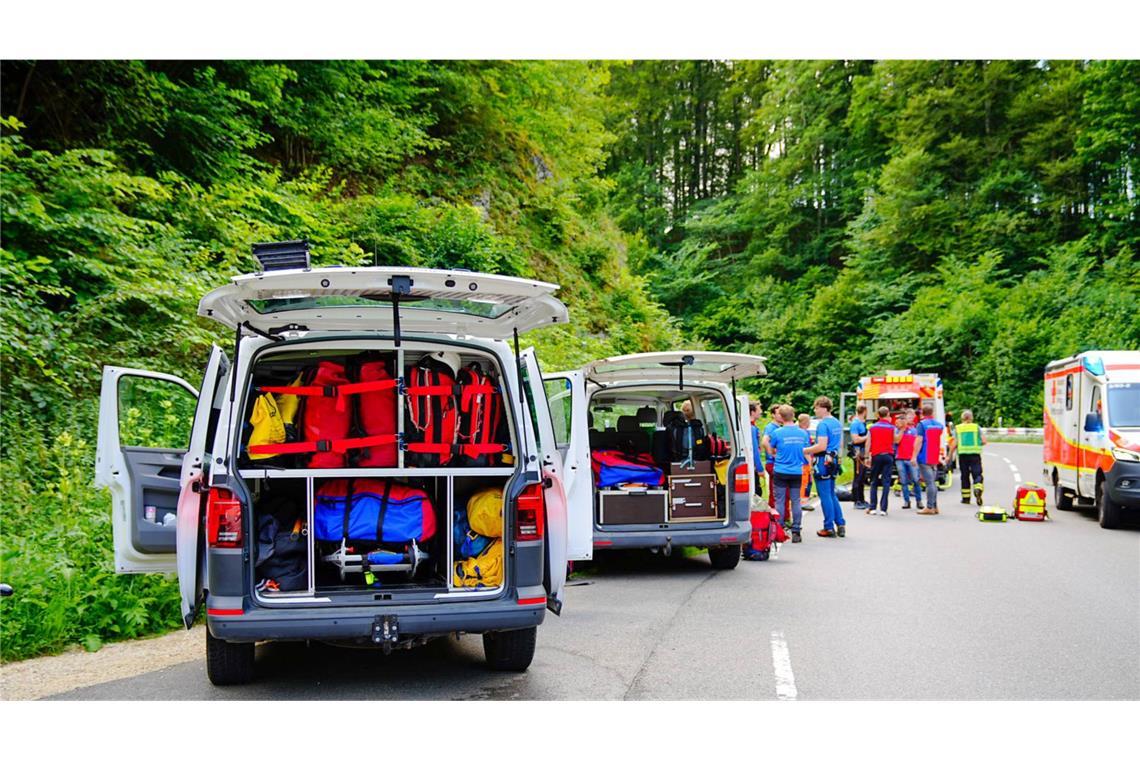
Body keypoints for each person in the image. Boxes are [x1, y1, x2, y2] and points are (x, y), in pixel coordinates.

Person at [803, 396, 846, 538]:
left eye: (816, 407)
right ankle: (840, 524)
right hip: (834, 460)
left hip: (823, 461)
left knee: (825, 494)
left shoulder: (823, 425)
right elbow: (839, 444)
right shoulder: (837, 423)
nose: (815, 410)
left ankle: (828, 527)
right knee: (832, 493)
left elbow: (821, 445)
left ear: (823, 408)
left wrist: (805, 450)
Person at [768, 405, 809, 543]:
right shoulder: (803, 433)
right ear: (793, 415)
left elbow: (771, 448)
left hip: (780, 470)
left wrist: (773, 453)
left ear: (781, 416)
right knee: (795, 500)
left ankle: (779, 529)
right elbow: (806, 449)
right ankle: (796, 531)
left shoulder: (777, 433)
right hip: (797, 471)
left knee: (779, 500)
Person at [912, 403, 946, 515]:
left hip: (924, 456)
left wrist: (913, 456)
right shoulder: (939, 425)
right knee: (933, 482)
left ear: (922, 413)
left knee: (929, 483)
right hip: (934, 456)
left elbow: (919, 441)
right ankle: (935, 506)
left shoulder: (921, 425)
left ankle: (930, 507)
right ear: (933, 413)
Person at [865, 406, 899, 515]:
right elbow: (895, 440)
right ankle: (883, 509)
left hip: (876, 456)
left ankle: (873, 507)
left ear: (878, 415)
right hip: (888, 456)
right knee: (886, 482)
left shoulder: (873, 427)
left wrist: (866, 456)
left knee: (874, 481)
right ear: (888, 414)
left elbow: (868, 443)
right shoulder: (892, 427)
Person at [761, 403, 790, 516]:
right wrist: (772, 454)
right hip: (773, 463)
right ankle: (776, 517)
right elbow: (764, 442)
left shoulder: (779, 428)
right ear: (773, 415)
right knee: (776, 493)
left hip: (778, 463)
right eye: (778, 413)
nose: (781, 415)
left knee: (782, 492)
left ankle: (782, 515)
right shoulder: (771, 427)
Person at [894, 409, 923, 509]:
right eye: (908, 417)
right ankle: (907, 501)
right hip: (900, 458)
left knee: (916, 480)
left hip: (911, 458)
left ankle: (919, 501)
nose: (910, 419)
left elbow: (919, 444)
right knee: (903, 481)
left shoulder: (916, 430)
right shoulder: (898, 429)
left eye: (912, 417)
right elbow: (896, 441)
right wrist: (902, 428)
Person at [956, 409, 985, 505]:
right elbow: (984, 441)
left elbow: (954, 443)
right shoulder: (976, 427)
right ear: (971, 418)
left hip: (962, 455)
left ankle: (966, 499)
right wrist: (978, 443)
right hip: (975, 455)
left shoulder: (958, 428)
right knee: (977, 474)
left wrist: (949, 456)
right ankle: (978, 488)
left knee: (964, 476)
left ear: (962, 418)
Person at [849, 404, 870, 509]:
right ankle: (856, 500)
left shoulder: (863, 423)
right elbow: (855, 439)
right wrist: (867, 437)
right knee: (858, 476)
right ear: (864, 411)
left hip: (863, 451)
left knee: (863, 477)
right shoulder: (855, 423)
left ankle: (862, 499)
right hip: (858, 451)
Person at [797, 413, 815, 506]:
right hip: (804, 462)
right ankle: (802, 502)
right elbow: (806, 451)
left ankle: (802, 501)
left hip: (800, 461)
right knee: (805, 482)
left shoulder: (799, 431)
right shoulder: (804, 433)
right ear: (805, 422)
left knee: (805, 482)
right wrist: (811, 464)